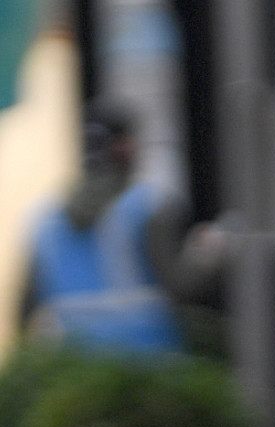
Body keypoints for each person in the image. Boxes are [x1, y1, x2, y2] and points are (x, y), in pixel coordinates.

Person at [21, 102, 195, 354]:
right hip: (149, 361)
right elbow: (181, 285)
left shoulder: (45, 218)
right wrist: (213, 254)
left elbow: (25, 309)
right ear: (127, 147)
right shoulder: (147, 205)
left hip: (75, 362)